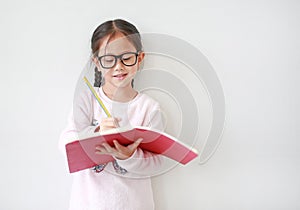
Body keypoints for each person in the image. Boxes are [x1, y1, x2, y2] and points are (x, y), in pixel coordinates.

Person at [59, 19, 164, 210]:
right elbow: (65, 145)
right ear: (97, 63)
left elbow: (156, 163)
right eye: (109, 59)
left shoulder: (149, 108)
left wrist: (129, 156)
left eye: (127, 57)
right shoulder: (86, 101)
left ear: (139, 59)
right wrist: (97, 131)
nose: (118, 66)